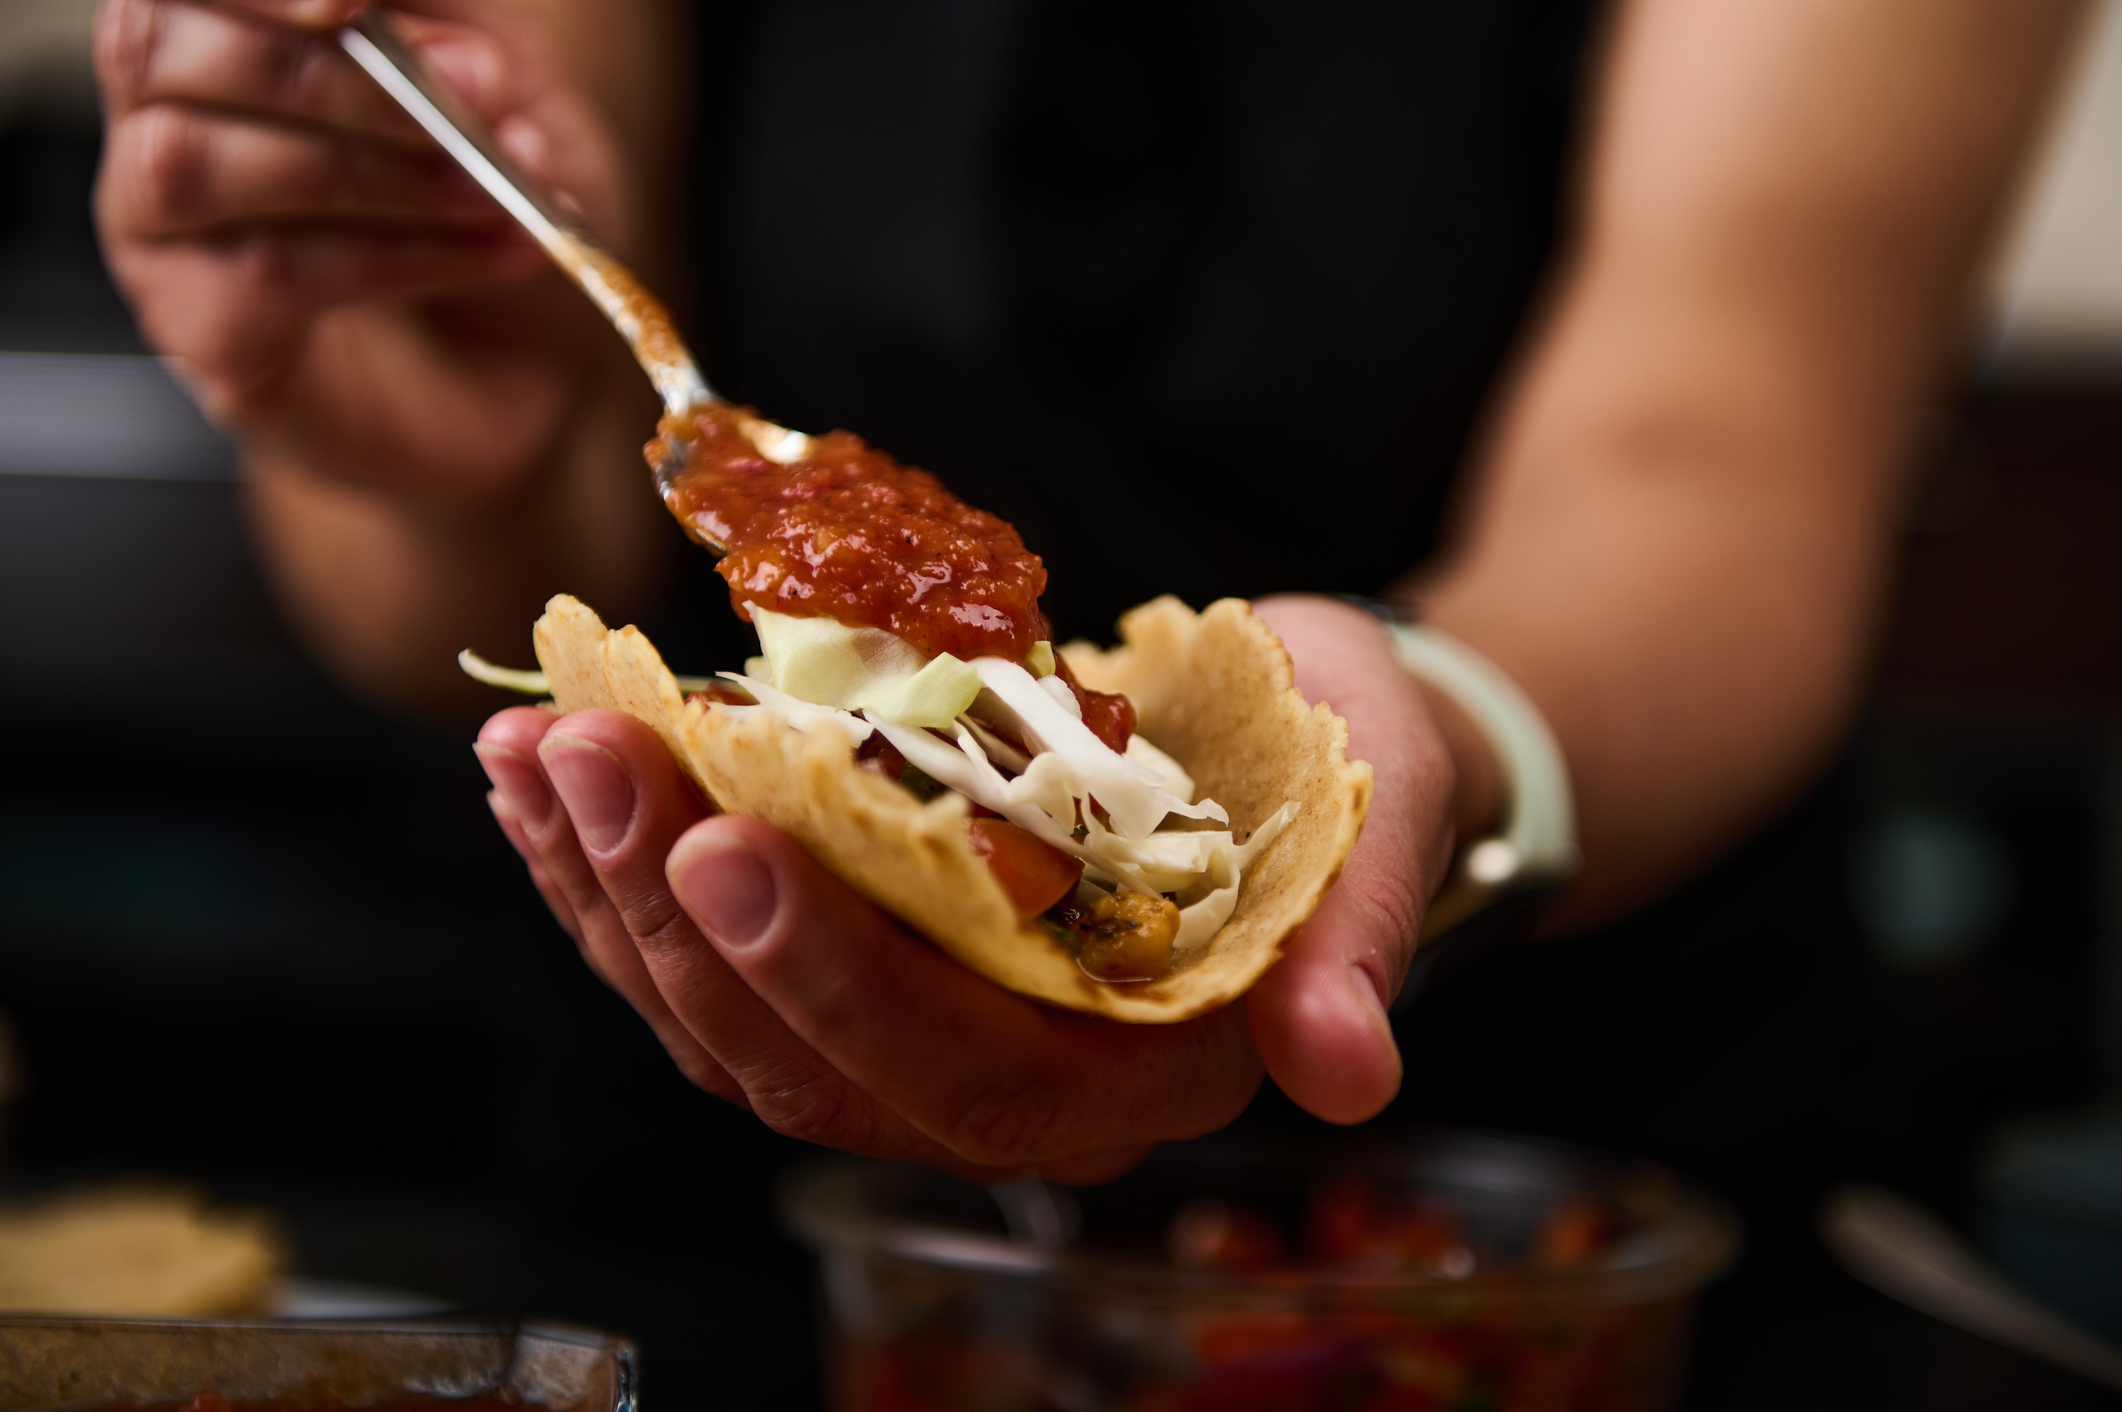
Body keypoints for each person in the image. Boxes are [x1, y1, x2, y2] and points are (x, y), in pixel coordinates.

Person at [92, 0, 2083, 1182]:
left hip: (1574, 1176)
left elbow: (1713, 448)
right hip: (716, 1192)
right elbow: (444, 574)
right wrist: (452, 436)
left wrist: (1408, 751)